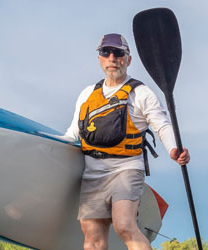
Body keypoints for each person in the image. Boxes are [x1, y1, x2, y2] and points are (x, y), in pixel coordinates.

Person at [62, 33, 190, 250]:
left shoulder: (140, 93)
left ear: (128, 59)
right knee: (92, 238)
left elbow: (162, 124)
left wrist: (173, 148)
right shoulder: (87, 94)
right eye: (106, 52)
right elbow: (73, 133)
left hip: (126, 168)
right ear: (100, 58)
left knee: (124, 225)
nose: (112, 58)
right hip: (93, 172)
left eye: (118, 53)